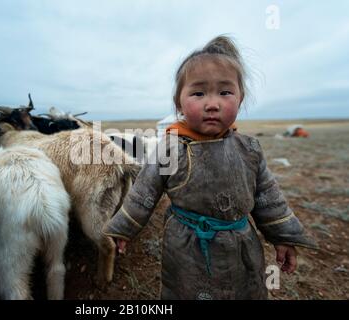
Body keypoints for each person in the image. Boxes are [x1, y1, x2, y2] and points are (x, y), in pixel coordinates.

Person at [102, 35, 317, 299]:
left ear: (240, 98)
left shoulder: (248, 149)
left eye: (225, 92)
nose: (212, 104)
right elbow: (142, 194)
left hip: (241, 246)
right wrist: (123, 229)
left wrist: (283, 237)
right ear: (179, 103)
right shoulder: (171, 148)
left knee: (246, 291)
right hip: (187, 248)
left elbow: (268, 198)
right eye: (198, 93)